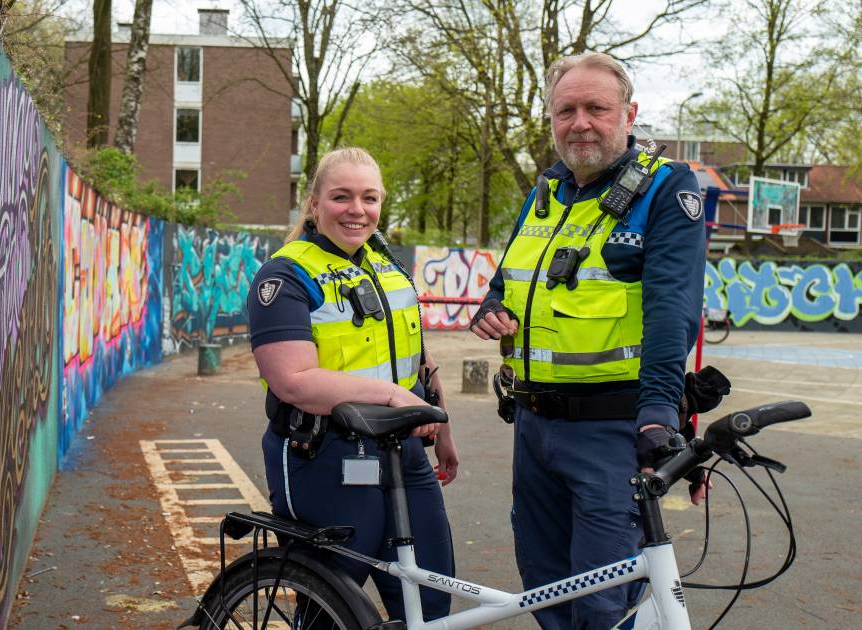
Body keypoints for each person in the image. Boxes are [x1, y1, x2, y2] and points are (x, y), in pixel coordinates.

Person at [470, 52, 706, 629]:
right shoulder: (546, 191)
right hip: (534, 427)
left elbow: (671, 312)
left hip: (613, 432)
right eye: (565, 110)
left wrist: (657, 416)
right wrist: (492, 309)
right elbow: (507, 283)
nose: (580, 123)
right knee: (546, 593)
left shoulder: (667, 190)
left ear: (629, 112)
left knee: (603, 603)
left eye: (596, 108)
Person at [247, 147, 458, 622]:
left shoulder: (384, 265)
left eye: (370, 198)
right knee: (332, 608)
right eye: (342, 197)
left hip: (403, 454)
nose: (357, 210)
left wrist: (441, 422)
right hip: (324, 455)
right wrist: (392, 397)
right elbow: (293, 381)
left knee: (429, 601)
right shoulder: (286, 274)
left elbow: (415, 354)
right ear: (315, 202)